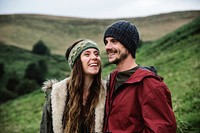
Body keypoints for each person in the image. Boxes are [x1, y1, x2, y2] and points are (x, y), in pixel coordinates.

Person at [103, 20, 177, 133]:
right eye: (106, 42)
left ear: (128, 44)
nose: (107, 47)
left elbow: (162, 129)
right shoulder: (111, 80)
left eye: (113, 41)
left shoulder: (149, 83)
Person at [40, 39, 106, 133]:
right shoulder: (56, 95)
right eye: (87, 54)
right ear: (77, 62)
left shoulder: (106, 93)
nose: (94, 57)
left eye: (96, 54)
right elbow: (46, 129)